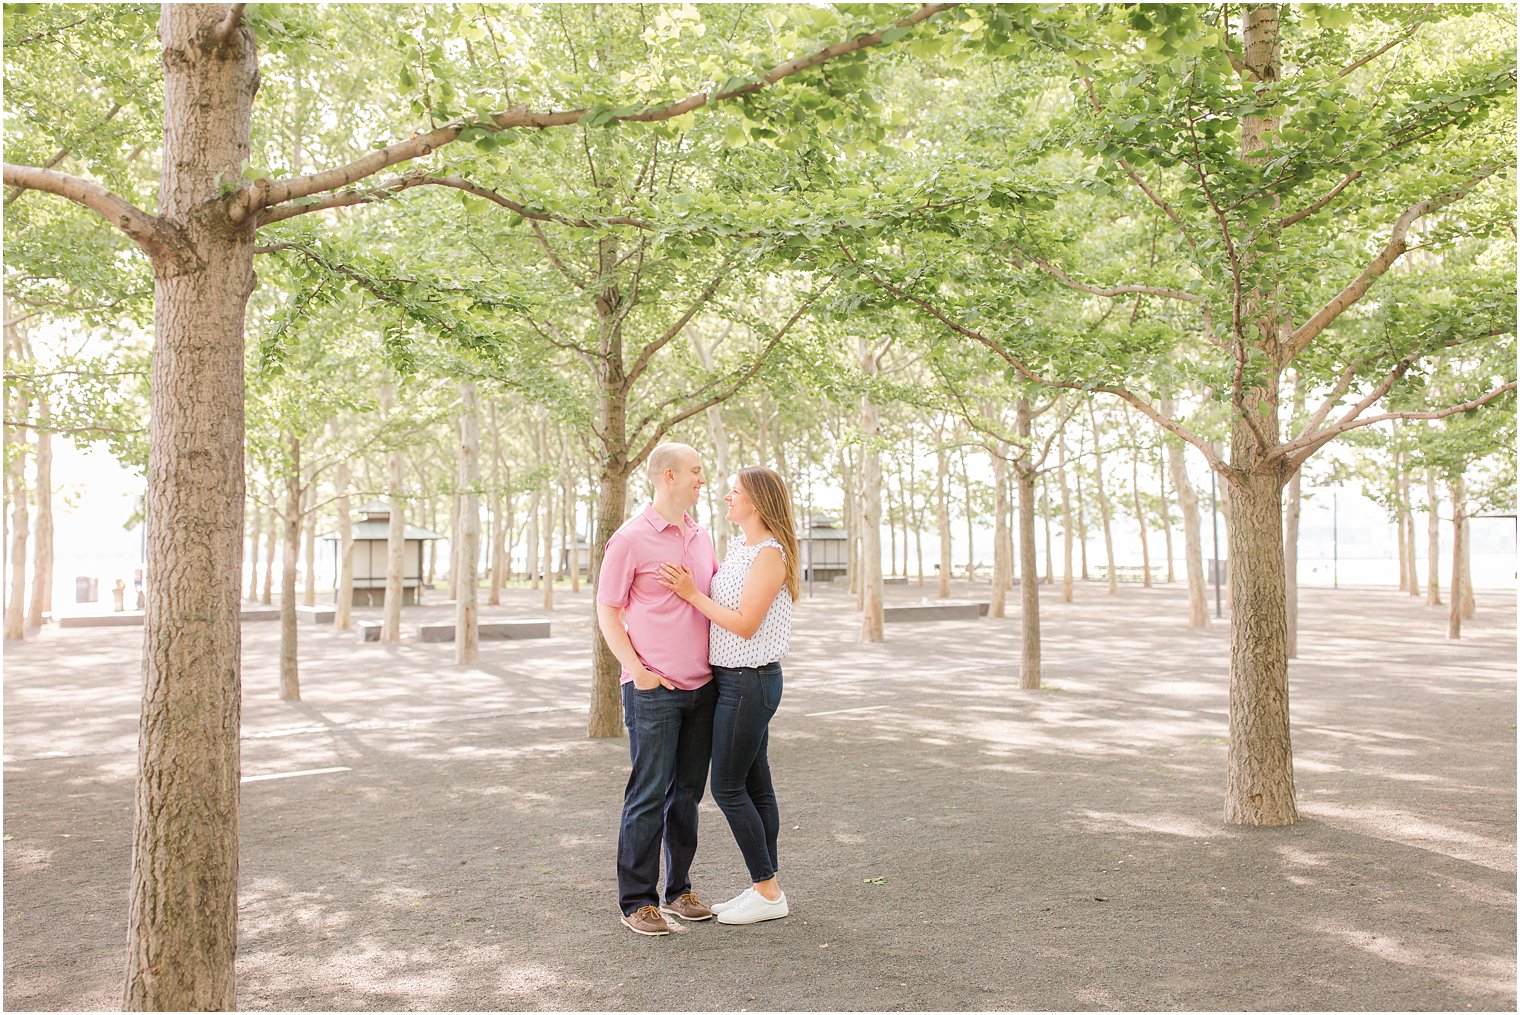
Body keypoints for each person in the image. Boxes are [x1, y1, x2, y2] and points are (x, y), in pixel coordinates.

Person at [657, 465, 799, 927]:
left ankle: (768, 891)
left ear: (755, 501)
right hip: (732, 679)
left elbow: (744, 623)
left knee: (727, 787)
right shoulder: (741, 547)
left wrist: (690, 593)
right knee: (756, 786)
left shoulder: (770, 555)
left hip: (750, 680)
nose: (725, 498)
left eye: (733, 492)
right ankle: (765, 886)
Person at [596, 442, 720, 937]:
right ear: (668, 476)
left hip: (703, 688)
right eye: (695, 471)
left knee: (687, 795)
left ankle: (680, 890)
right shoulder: (629, 539)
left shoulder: (702, 536)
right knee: (648, 794)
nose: (701, 480)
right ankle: (637, 901)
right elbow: (607, 610)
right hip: (653, 690)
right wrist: (637, 670)